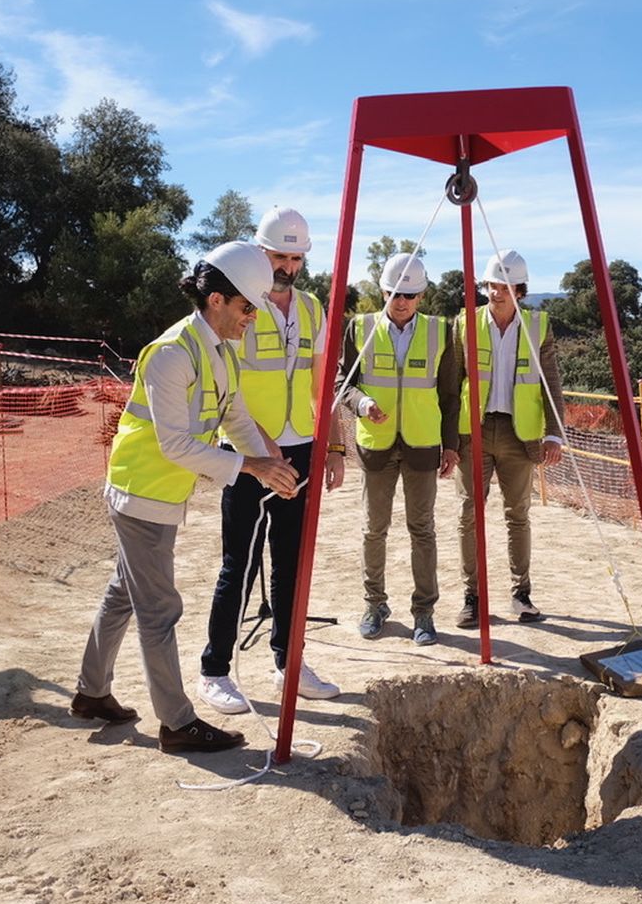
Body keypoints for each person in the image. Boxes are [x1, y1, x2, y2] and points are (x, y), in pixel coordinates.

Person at [72, 242, 300, 753]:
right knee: (159, 611)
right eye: (247, 307)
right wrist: (252, 467)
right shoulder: (172, 355)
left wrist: (272, 462)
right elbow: (175, 443)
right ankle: (176, 723)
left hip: (159, 493)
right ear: (216, 299)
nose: (252, 318)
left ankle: (91, 693)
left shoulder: (220, 351)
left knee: (124, 594)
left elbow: (235, 416)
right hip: (140, 493)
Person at [196, 206, 346, 716]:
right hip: (247, 452)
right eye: (278, 255)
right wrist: (261, 449)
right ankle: (215, 670)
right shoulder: (239, 307)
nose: (286, 266)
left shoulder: (311, 310)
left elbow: (325, 382)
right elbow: (225, 388)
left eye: (295, 257)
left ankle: (290, 661)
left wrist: (334, 446)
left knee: (291, 562)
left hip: (301, 447)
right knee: (239, 563)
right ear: (259, 253)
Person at [335, 252, 460, 646]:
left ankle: (424, 612)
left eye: (409, 294)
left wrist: (451, 446)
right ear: (382, 291)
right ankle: (375, 605)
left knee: (422, 530)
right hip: (376, 447)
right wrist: (361, 404)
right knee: (374, 529)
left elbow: (451, 393)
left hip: (424, 446)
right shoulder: (360, 328)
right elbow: (343, 382)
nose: (400, 301)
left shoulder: (442, 332)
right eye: (393, 293)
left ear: (421, 295)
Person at [452, 250, 564, 628]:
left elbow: (551, 381)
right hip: (474, 433)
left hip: (521, 435)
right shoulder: (464, 324)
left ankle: (521, 594)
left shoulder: (538, 326)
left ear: (520, 289)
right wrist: (449, 438)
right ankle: (473, 597)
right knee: (470, 515)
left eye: (505, 287)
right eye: (491, 285)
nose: (497, 293)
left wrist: (554, 432)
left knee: (518, 515)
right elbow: (452, 384)